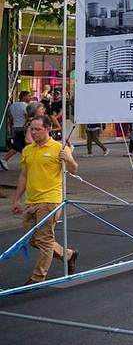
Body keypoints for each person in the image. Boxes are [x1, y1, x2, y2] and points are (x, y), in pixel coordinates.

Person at [11, 115, 79, 284]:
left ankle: (37, 278)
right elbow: (24, 175)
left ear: (48, 129)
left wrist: (69, 159)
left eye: (38, 129)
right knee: (32, 239)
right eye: (32, 129)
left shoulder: (59, 148)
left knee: (45, 240)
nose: (34, 132)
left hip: (50, 200)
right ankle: (68, 255)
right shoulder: (28, 150)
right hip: (31, 200)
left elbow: (74, 169)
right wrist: (17, 199)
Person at [2, 90, 31, 170]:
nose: (30, 97)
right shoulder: (25, 106)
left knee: (21, 146)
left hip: (15, 127)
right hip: (23, 128)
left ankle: (27, 162)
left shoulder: (13, 105)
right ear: (24, 97)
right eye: (28, 96)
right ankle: (5, 159)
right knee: (18, 146)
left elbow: (10, 116)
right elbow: (26, 116)